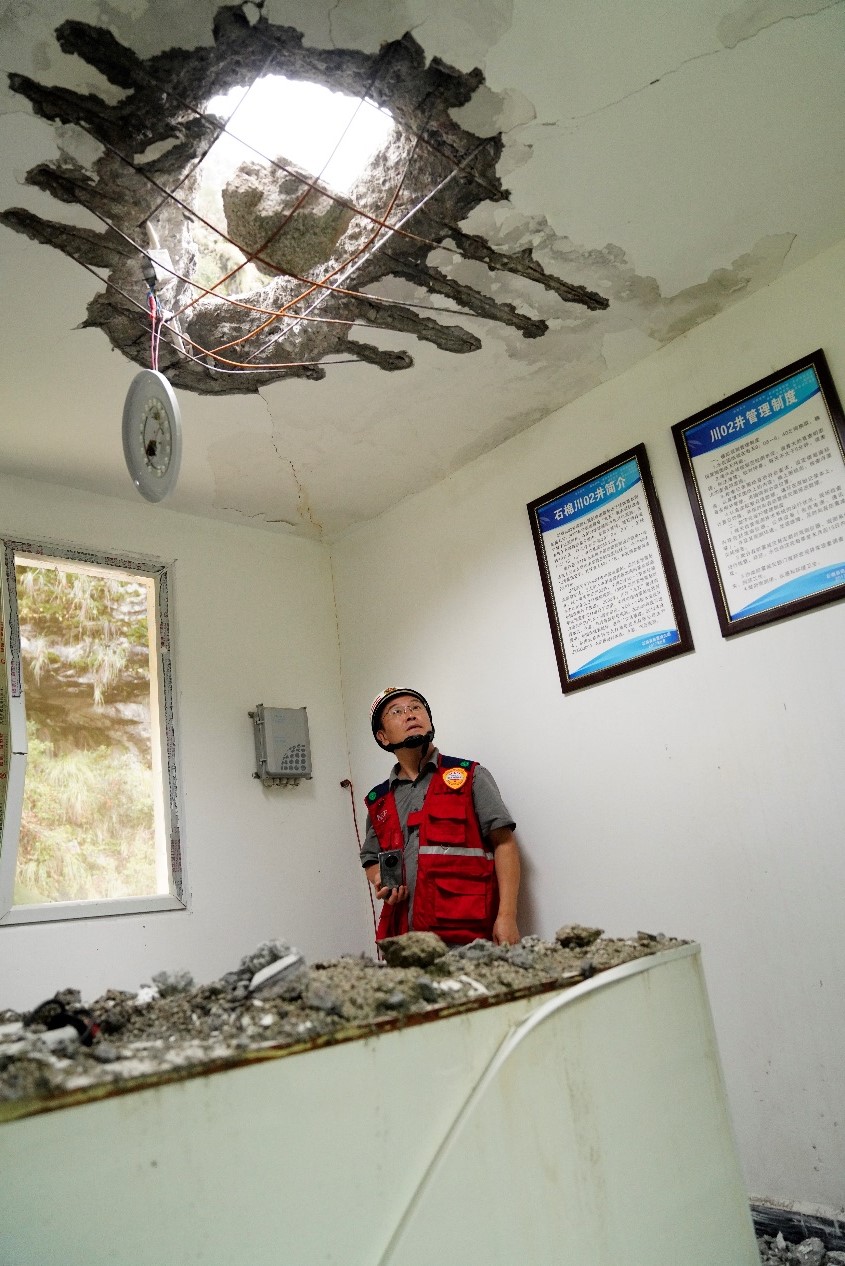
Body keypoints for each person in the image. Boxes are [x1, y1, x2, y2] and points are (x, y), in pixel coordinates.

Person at [360, 687, 521, 946]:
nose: (410, 714)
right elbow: (370, 858)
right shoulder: (379, 801)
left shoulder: (470, 777)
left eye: (416, 707)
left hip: (465, 937)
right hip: (404, 940)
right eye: (397, 712)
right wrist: (381, 879)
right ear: (383, 737)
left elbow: (504, 844)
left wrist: (507, 916)